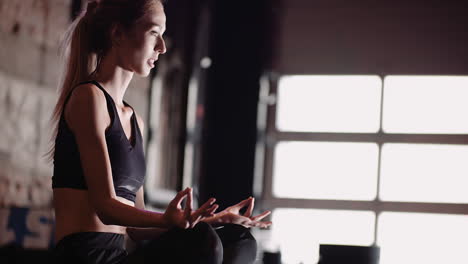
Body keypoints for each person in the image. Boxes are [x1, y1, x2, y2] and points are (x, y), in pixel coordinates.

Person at [46, 0, 272, 263]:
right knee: (202, 242)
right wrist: (173, 221)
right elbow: (105, 207)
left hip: (119, 256)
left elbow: (137, 228)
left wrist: (209, 219)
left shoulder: (135, 121)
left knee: (237, 239)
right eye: (154, 33)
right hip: (86, 257)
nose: (162, 47)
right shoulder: (88, 98)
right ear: (117, 34)